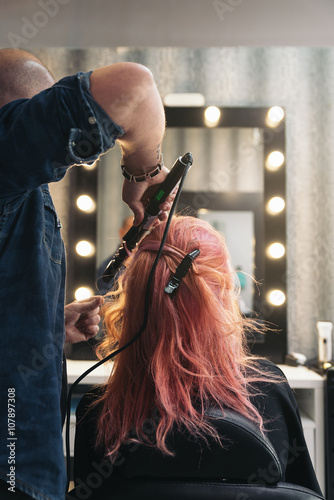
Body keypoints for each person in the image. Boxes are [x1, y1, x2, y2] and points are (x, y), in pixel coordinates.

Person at [0, 48, 172, 500]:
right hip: (10, 466)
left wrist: (47, 327)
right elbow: (134, 89)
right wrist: (145, 171)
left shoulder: (20, 195)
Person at [70, 215, 323, 498]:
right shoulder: (267, 390)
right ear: (223, 295)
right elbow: (302, 492)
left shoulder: (96, 413)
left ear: (133, 299)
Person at [96, 215, 133, 295]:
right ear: (121, 232)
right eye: (131, 230)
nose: (137, 235)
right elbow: (103, 298)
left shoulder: (148, 262)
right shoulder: (106, 267)